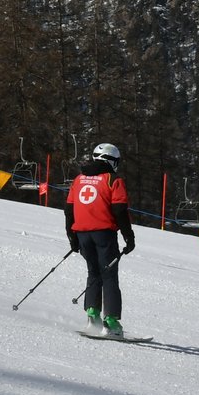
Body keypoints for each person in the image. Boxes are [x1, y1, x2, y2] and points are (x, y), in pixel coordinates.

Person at [63, 142, 137, 337]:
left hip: (82, 233)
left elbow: (69, 210)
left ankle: (92, 317)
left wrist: (71, 236)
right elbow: (120, 210)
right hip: (104, 233)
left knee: (93, 273)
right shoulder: (113, 180)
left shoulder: (79, 179)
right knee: (109, 276)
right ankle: (111, 323)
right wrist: (129, 237)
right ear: (111, 161)